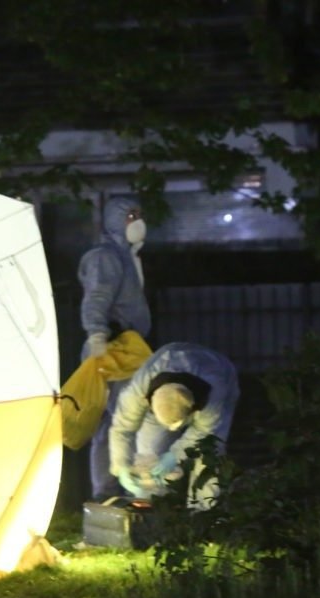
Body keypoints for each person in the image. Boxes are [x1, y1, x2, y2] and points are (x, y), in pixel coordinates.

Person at [78, 195, 152, 500]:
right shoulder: (106, 257)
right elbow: (97, 297)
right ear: (116, 220)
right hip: (113, 347)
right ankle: (118, 490)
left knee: (116, 421)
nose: (138, 222)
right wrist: (97, 334)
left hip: (123, 346)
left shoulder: (123, 256)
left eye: (139, 215)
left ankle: (111, 490)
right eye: (131, 216)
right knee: (126, 418)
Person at [108, 342, 240, 510]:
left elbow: (205, 433)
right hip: (163, 386)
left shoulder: (215, 391)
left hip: (218, 372)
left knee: (210, 453)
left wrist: (174, 455)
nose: (173, 430)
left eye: (176, 425)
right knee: (149, 455)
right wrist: (121, 465)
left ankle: (203, 514)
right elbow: (122, 428)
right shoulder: (138, 391)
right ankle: (151, 510)